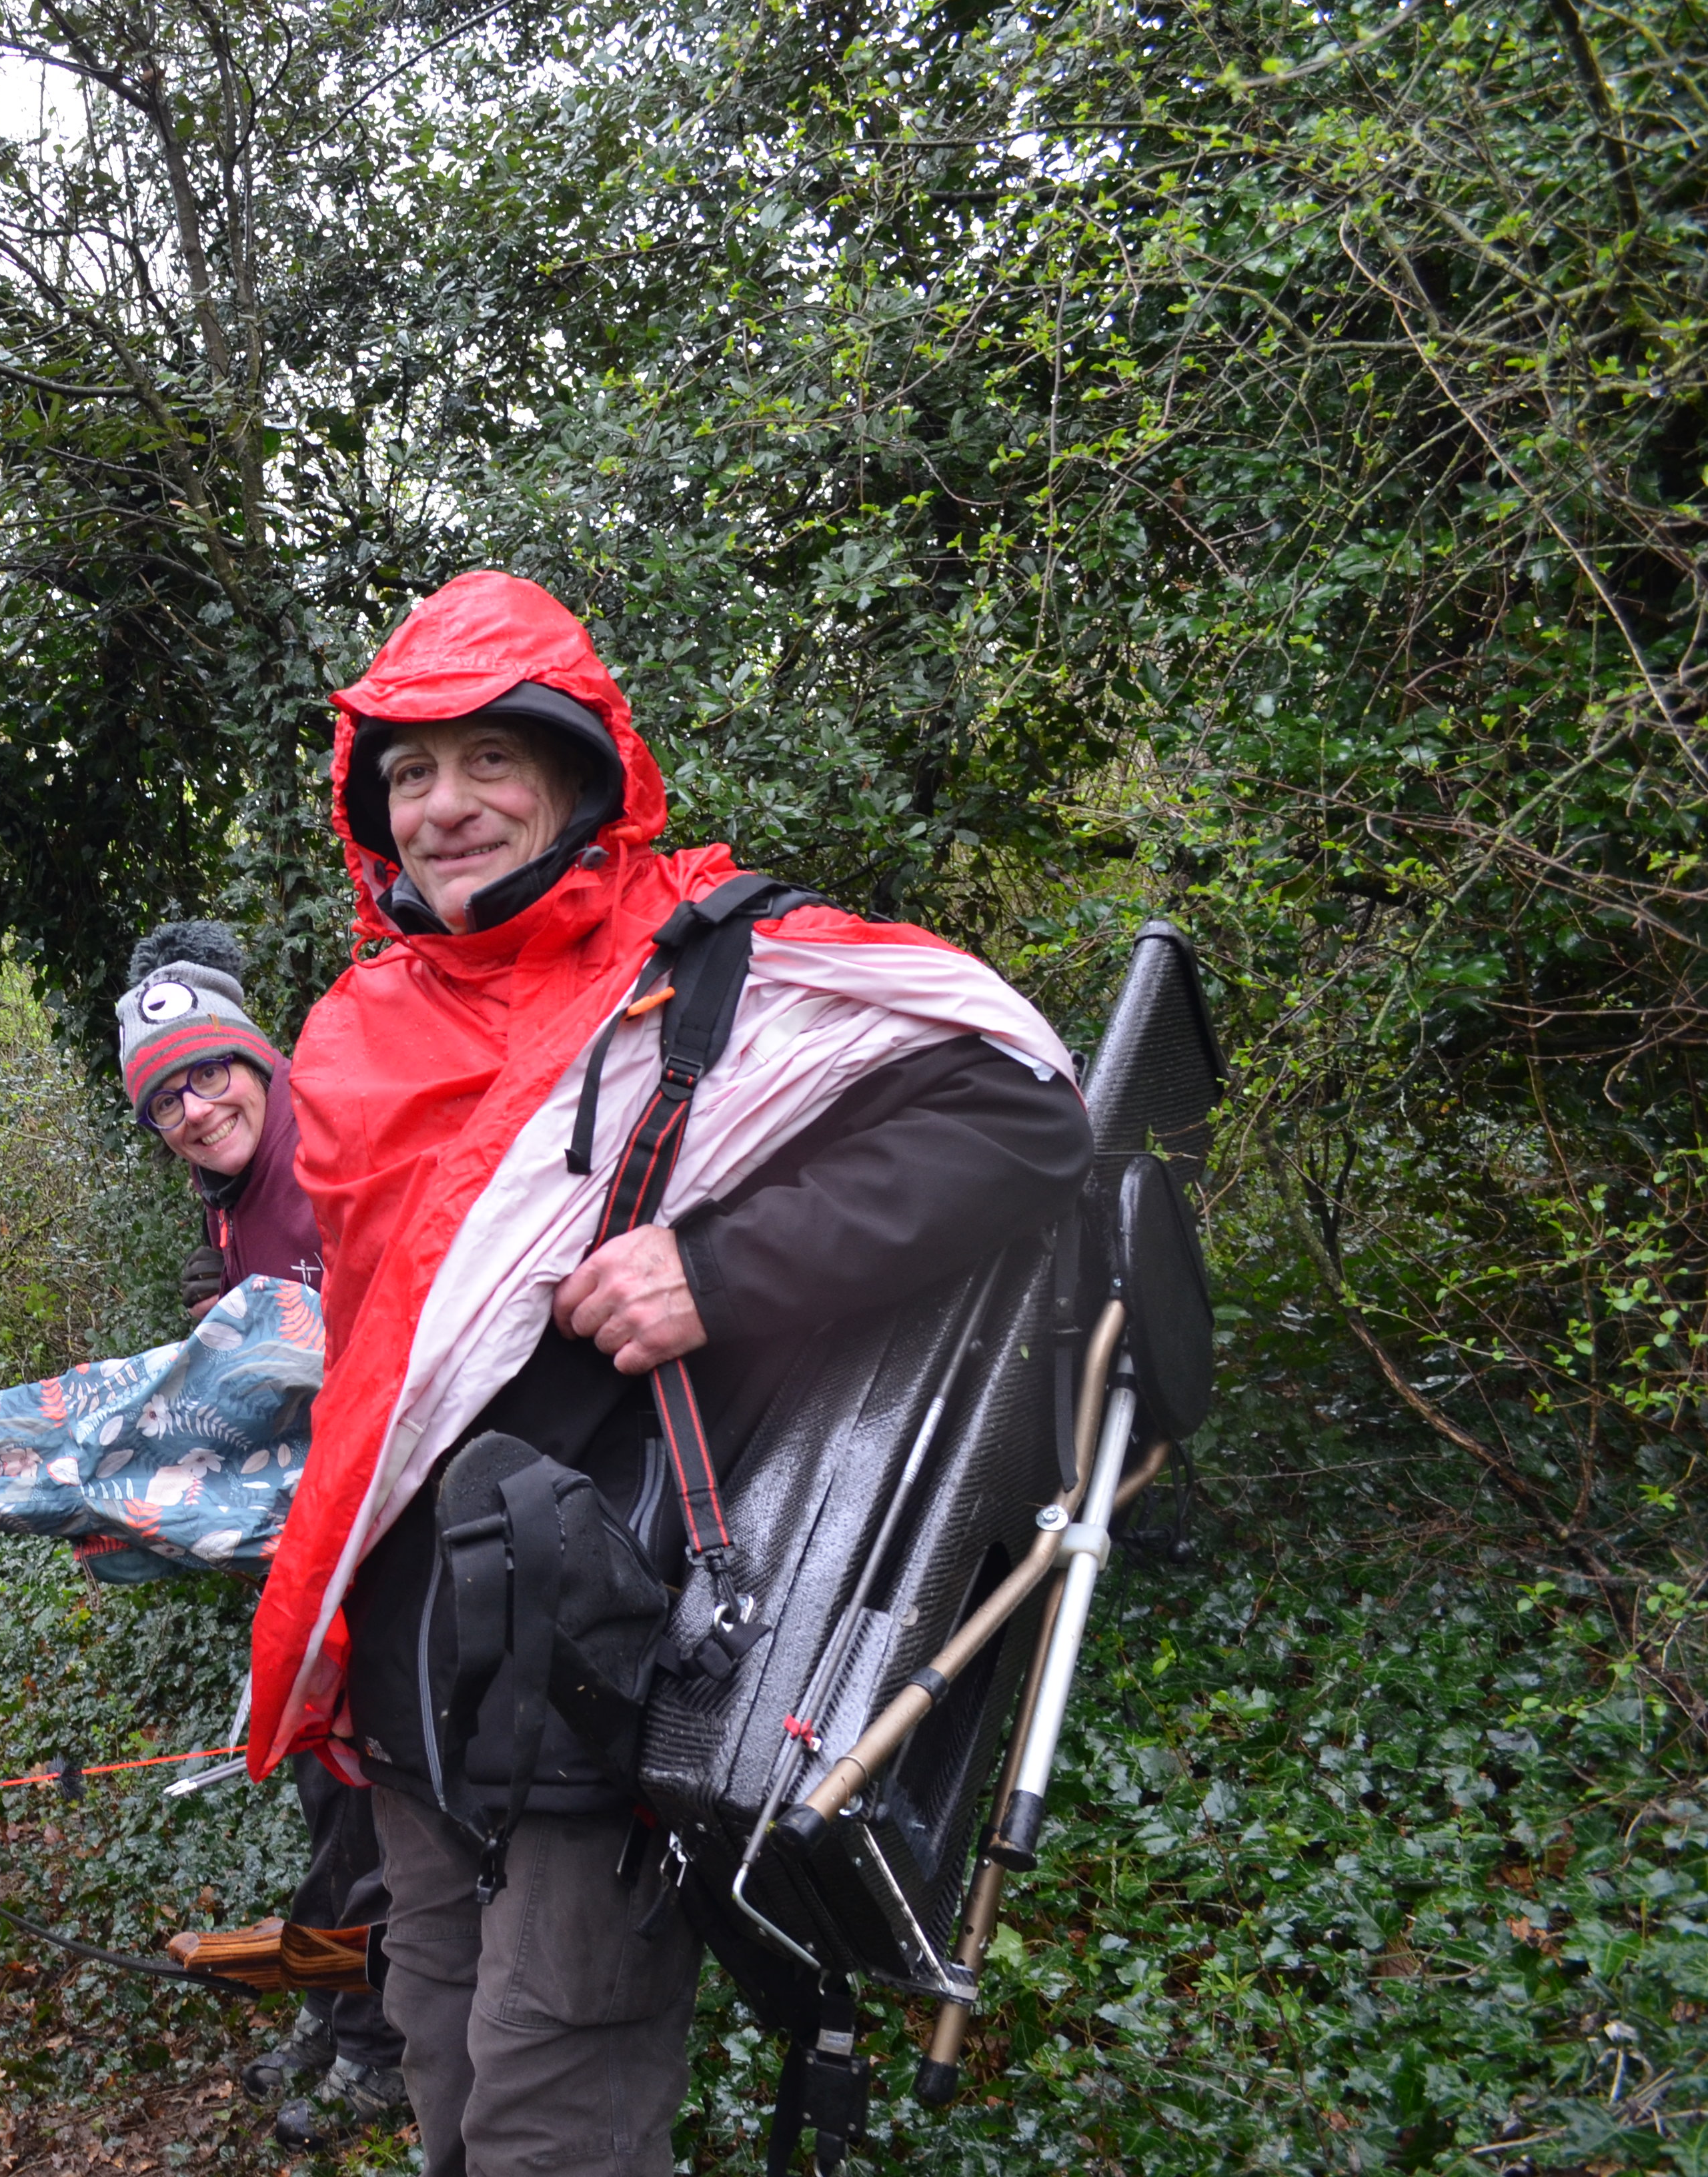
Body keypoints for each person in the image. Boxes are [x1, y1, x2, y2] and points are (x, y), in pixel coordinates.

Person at [244, 572, 1091, 2177]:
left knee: (550, 2097)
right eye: (409, 773)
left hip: (598, 1674)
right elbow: (384, 1372)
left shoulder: (715, 970)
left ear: (579, 774)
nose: (445, 804)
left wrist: (718, 1268)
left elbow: (1021, 1117)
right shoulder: (358, 1026)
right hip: (413, 1670)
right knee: (439, 2057)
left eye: (489, 758)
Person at [113, 921, 402, 2147]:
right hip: (315, 1540)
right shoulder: (230, 1192)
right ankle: (334, 2007)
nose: (194, 1107)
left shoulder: (324, 1143)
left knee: (372, 1797)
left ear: (258, 1060)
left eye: (208, 1072)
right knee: (327, 1792)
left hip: (396, 1538)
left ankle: (380, 2052)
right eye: (164, 1098)